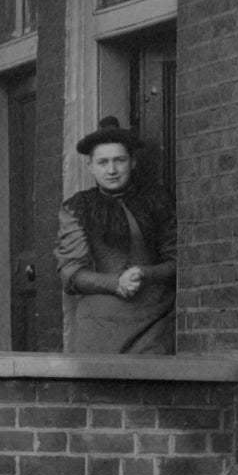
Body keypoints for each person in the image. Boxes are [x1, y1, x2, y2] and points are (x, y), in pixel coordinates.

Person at [55, 117, 176, 355]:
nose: (111, 170)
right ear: (90, 166)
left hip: (155, 321)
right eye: (102, 162)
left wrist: (145, 272)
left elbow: (178, 260)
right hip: (101, 325)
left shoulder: (157, 201)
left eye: (119, 160)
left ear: (133, 162)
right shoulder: (78, 208)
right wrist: (115, 283)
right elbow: (70, 274)